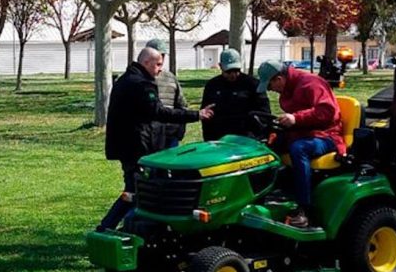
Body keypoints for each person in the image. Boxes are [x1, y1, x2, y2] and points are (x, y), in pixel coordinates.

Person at [99, 47, 215, 231]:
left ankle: (111, 227)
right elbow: (158, 112)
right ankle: (117, 228)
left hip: (126, 147)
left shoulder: (124, 80)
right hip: (138, 147)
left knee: (135, 189)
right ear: (146, 63)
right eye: (158, 64)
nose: (160, 69)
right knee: (142, 192)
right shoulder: (141, 84)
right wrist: (196, 115)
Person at [257, 59, 345, 228]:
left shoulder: (311, 83)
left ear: (279, 79)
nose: (271, 91)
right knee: (266, 145)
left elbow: (328, 112)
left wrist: (296, 118)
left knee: (299, 149)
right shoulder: (289, 89)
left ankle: (304, 209)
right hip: (302, 132)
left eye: (270, 86)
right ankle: (268, 195)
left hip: (327, 136)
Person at [200, 48, 271, 141]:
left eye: (236, 70)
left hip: (247, 137)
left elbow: (264, 114)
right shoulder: (212, 85)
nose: (233, 74)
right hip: (219, 137)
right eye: (229, 71)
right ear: (220, 66)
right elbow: (206, 114)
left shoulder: (252, 84)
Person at [145, 38, 186, 148]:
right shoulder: (137, 79)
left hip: (170, 135)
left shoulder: (171, 78)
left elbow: (181, 105)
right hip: (147, 136)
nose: (161, 59)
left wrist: (179, 130)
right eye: (157, 55)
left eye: (163, 55)